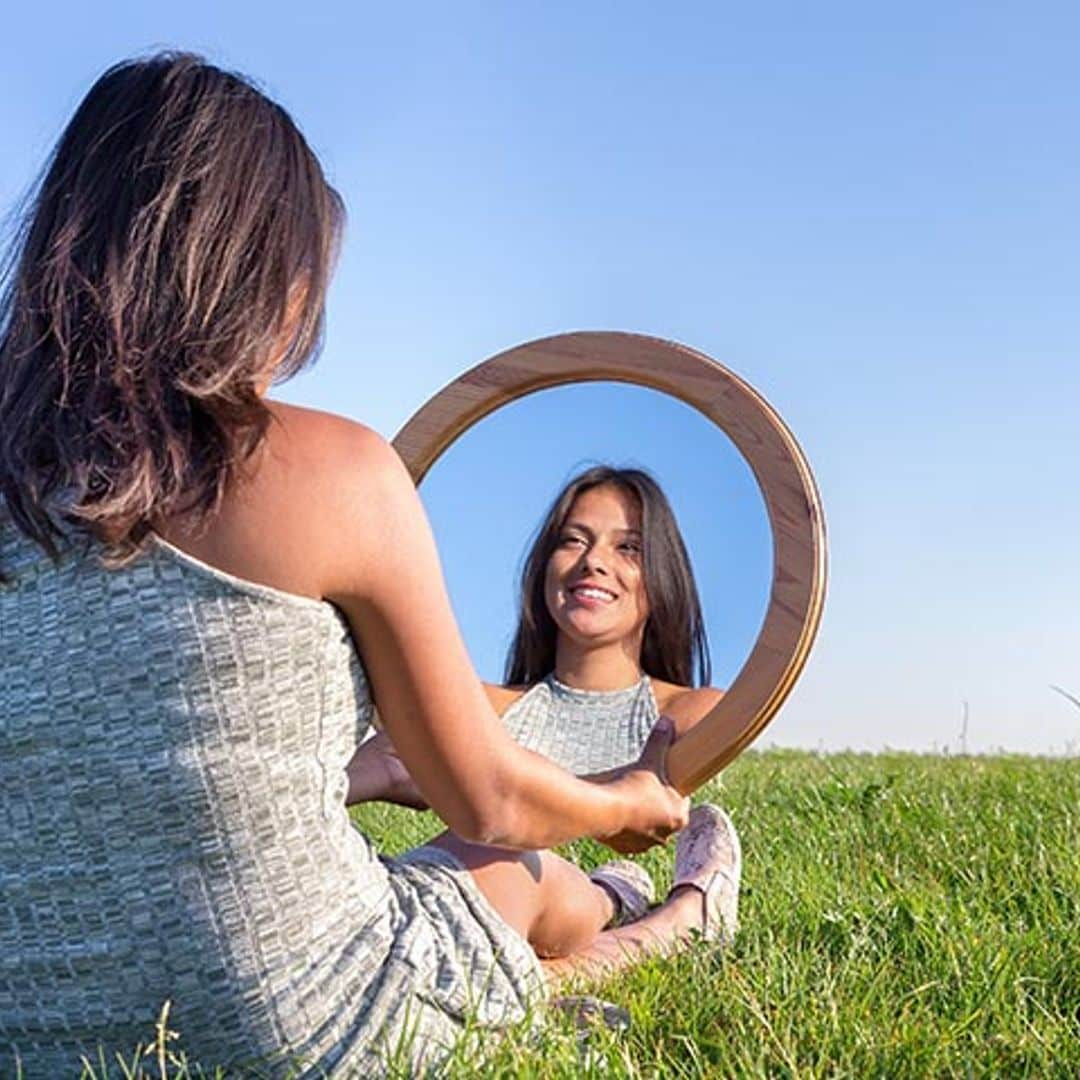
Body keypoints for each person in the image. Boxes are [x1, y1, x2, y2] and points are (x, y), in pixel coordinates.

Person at [0, 54, 740, 1077]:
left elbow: (99, 760)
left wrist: (353, 771)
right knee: (501, 868)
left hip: (27, 1035)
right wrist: (627, 806)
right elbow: (488, 797)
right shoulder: (333, 468)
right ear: (268, 280)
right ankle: (670, 924)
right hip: (295, 1029)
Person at [349, 466, 732, 932]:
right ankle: (647, 913)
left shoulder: (695, 714)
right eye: (573, 540)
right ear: (544, 565)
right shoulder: (480, 706)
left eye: (628, 547)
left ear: (661, 575)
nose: (593, 561)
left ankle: (627, 904)